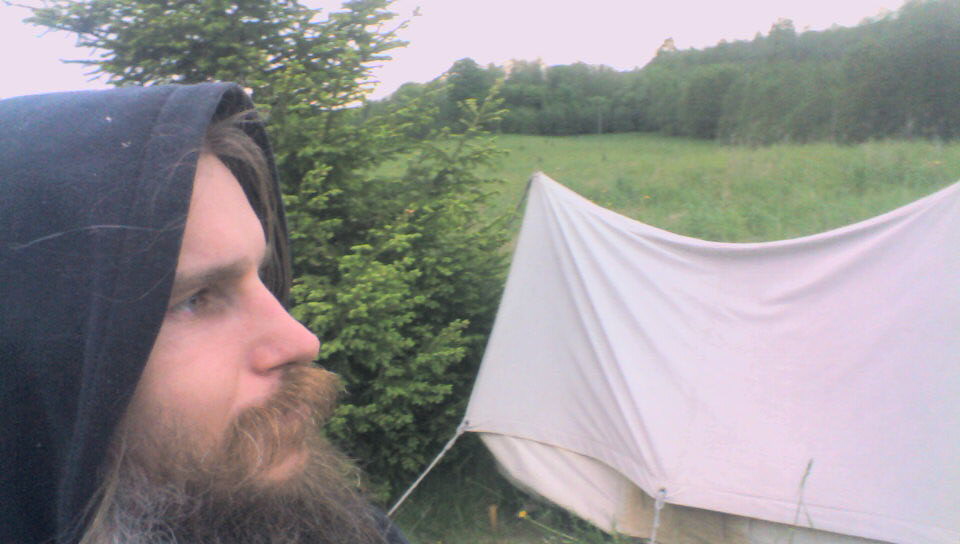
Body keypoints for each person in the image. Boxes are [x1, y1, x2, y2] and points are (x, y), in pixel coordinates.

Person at [0, 83, 409, 543]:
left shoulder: (332, 527)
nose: (303, 342)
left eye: (263, 274)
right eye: (196, 298)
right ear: (33, 371)